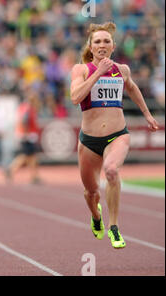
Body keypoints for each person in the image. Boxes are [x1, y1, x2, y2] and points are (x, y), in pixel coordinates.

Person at [70, 22, 159, 249]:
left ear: (113, 46)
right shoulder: (81, 69)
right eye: (97, 41)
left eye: (106, 41)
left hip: (117, 135)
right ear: (90, 47)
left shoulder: (122, 69)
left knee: (111, 171)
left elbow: (132, 88)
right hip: (89, 141)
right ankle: (96, 216)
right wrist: (98, 72)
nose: (102, 45)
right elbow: (76, 97)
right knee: (91, 192)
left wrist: (147, 114)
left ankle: (115, 227)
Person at [5, 91, 42, 184]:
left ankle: (34, 176)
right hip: (28, 136)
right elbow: (25, 120)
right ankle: (11, 169)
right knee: (27, 156)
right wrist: (26, 133)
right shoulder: (29, 108)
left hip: (24, 134)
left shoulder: (23, 107)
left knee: (31, 156)